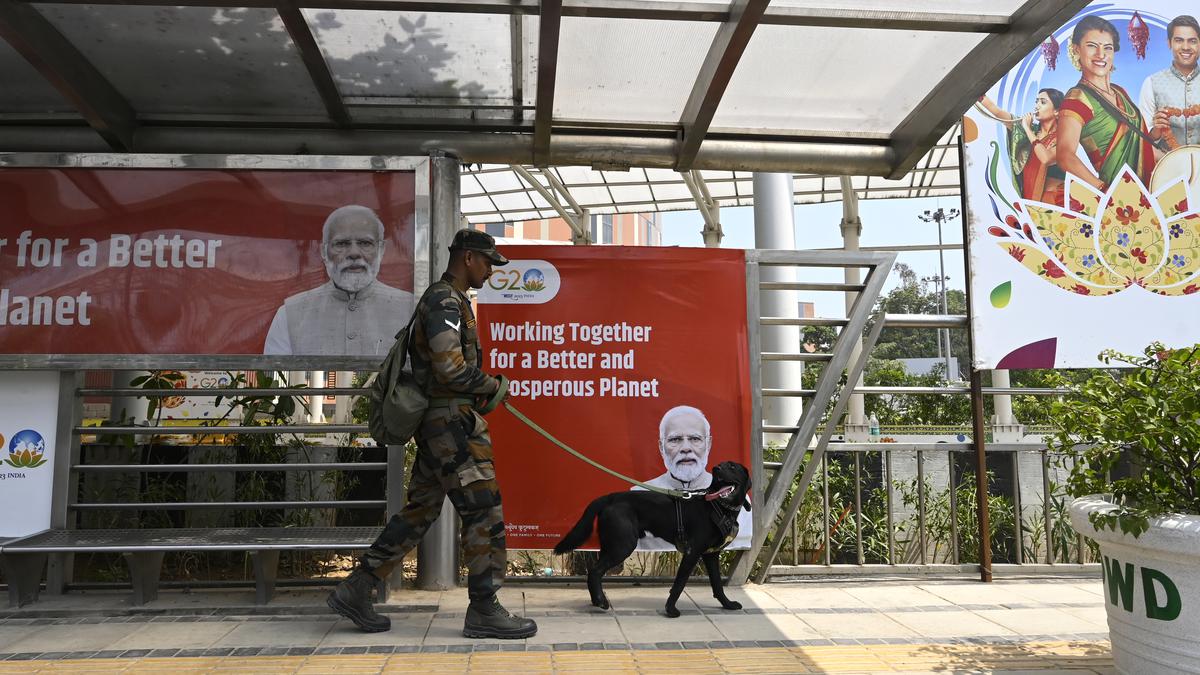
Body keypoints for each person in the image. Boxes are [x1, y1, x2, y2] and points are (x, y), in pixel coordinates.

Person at [327, 229, 536, 639]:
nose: (491, 272)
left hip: (441, 424)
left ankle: (358, 587)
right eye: (488, 263)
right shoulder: (444, 300)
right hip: (450, 426)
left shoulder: (449, 299)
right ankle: (484, 609)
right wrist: (492, 386)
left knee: (420, 510)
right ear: (468, 258)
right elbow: (449, 367)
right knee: (483, 510)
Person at [263, 205, 414, 356]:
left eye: (365, 243)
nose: (354, 253)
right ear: (323, 251)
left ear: (381, 250)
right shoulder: (289, 315)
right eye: (342, 244)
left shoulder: (411, 311)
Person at [1057, 15, 1159, 192]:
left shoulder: (1120, 91)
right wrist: (1104, 191)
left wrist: (1173, 154)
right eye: (1092, 46)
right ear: (1076, 49)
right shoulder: (1076, 98)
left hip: (1150, 189)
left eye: (1108, 48)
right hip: (1117, 198)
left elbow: (1141, 147)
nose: (1101, 55)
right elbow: (1065, 155)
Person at [633, 405, 751, 551]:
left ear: (708, 444)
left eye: (695, 439)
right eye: (675, 439)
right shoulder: (639, 494)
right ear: (661, 447)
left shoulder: (736, 498)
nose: (686, 448)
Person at [978, 90, 1066, 205]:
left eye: (1043, 102)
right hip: (1033, 202)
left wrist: (1027, 129)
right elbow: (997, 112)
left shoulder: (1064, 137)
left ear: (1057, 111)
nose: (1037, 106)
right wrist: (975, 93)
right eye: (1036, 101)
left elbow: (1046, 158)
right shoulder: (1029, 130)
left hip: (1060, 199)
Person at [1138, 15, 1200, 150]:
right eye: (1179, 40)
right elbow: (1142, 140)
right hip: (1167, 166)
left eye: (1192, 41)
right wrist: (1156, 131)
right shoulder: (1151, 83)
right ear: (1169, 43)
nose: (1185, 47)